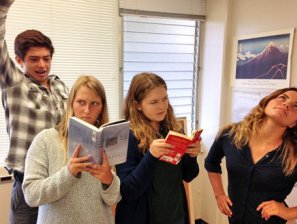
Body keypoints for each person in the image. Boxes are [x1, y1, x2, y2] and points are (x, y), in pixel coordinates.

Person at [0, 0, 69, 223]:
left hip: (59, 177)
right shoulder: (14, 83)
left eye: (46, 58)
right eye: (34, 59)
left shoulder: (60, 86)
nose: (42, 65)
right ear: (19, 60)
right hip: (28, 180)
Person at [22, 75, 121, 224]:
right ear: (71, 104)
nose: (87, 110)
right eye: (81, 102)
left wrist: (109, 180)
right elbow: (31, 195)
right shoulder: (45, 140)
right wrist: (68, 173)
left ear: (102, 108)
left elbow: (113, 199)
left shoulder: (105, 140)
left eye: (94, 103)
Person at [205, 87, 297, 223]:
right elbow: (211, 163)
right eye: (283, 98)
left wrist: (289, 212)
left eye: (296, 106)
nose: (286, 104)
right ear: (267, 102)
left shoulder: (296, 155)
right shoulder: (230, 134)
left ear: (294, 123)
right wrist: (219, 194)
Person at [115, 72, 200, 224]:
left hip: (176, 215)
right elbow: (128, 191)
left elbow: (188, 175)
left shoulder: (173, 129)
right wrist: (151, 156)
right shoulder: (127, 136)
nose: (162, 106)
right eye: (154, 102)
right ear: (137, 105)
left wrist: (192, 156)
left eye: (165, 99)